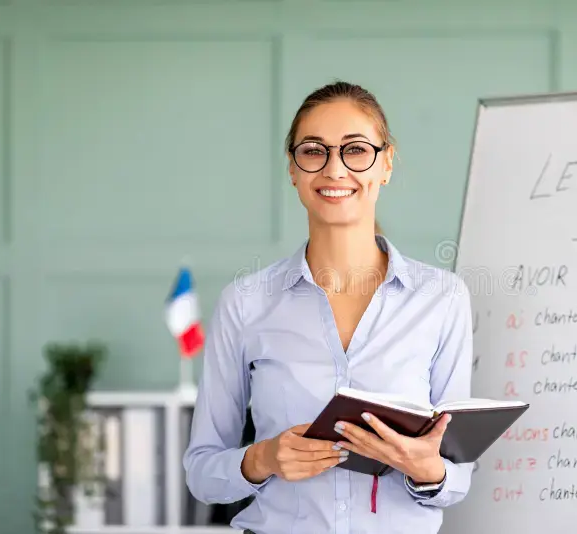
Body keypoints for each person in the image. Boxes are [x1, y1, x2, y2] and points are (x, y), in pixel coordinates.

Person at [183, 80, 474, 534]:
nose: (334, 169)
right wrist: (263, 458)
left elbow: (458, 478)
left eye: (355, 150)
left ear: (386, 163)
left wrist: (426, 469)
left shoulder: (442, 298)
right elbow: (202, 473)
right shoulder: (244, 304)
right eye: (314, 151)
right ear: (293, 169)